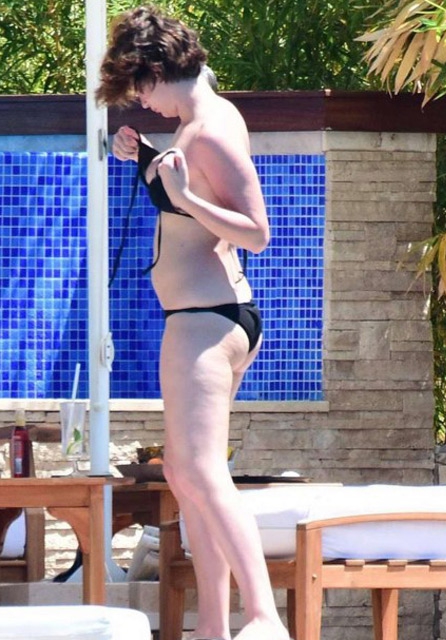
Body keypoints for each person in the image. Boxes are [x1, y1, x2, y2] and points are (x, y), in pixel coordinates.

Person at [96, 7, 289, 640]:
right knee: (186, 475)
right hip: (204, 315)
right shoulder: (196, 125)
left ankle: (262, 617)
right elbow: (196, 197)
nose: (140, 102)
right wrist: (145, 158)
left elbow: (256, 231)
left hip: (207, 319)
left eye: (138, 88)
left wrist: (178, 195)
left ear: (155, 70)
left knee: (201, 473)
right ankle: (211, 625)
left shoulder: (208, 130)